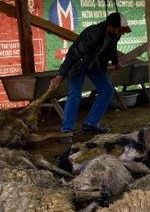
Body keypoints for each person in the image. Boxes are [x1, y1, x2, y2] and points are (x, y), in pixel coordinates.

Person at [48, 12, 131, 143]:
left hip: (95, 66)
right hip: (78, 66)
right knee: (75, 94)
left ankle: (91, 124)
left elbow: (111, 49)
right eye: (120, 30)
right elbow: (73, 54)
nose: (122, 33)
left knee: (107, 90)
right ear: (110, 27)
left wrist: (115, 62)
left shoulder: (115, 36)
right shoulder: (92, 33)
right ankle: (66, 130)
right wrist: (60, 75)